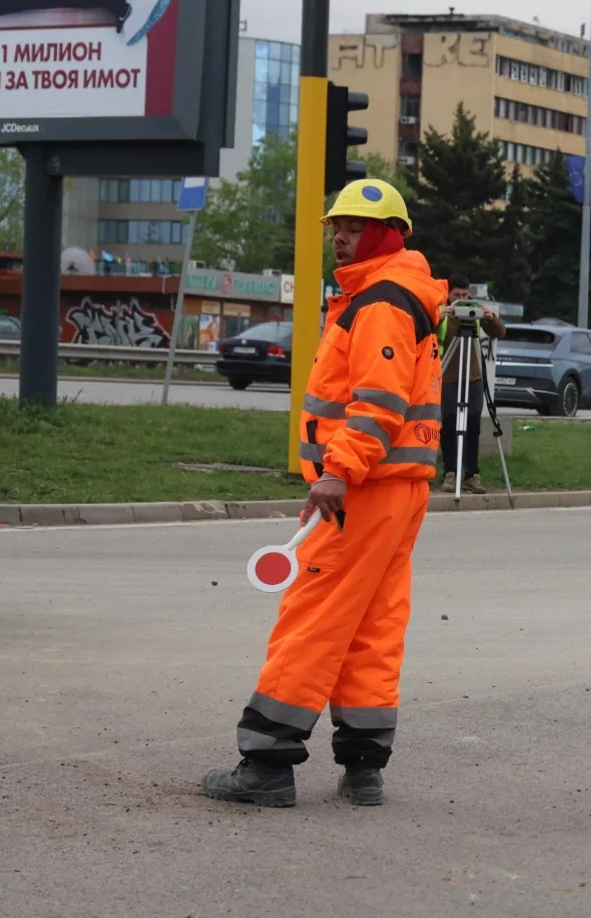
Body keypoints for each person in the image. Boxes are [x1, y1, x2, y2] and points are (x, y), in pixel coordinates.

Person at [201, 179, 446, 808]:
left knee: (312, 617)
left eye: (354, 227)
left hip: (360, 489)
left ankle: (267, 763)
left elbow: (379, 401)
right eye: (337, 226)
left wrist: (338, 471)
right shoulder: (393, 294)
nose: (340, 237)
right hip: (398, 489)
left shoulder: (382, 302)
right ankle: (364, 768)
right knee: (373, 625)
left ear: (387, 234)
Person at [435, 273, 506, 494]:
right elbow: (424, 331)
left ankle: (471, 474)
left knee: (472, 424)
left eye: (465, 295)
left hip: (472, 377)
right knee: (449, 423)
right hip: (448, 376)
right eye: (456, 295)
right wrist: (438, 316)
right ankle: (450, 472)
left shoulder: (474, 311)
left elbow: (499, 332)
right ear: (448, 295)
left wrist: (489, 318)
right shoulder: (442, 312)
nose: (461, 300)